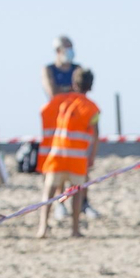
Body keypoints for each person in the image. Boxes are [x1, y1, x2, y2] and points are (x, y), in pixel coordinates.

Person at [36, 67, 101, 239]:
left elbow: (44, 112)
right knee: (77, 195)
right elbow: (95, 135)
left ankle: (43, 227)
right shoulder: (92, 108)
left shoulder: (62, 102)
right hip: (77, 159)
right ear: (91, 86)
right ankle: (74, 229)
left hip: (57, 156)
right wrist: (91, 157)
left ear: (74, 83)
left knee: (48, 192)